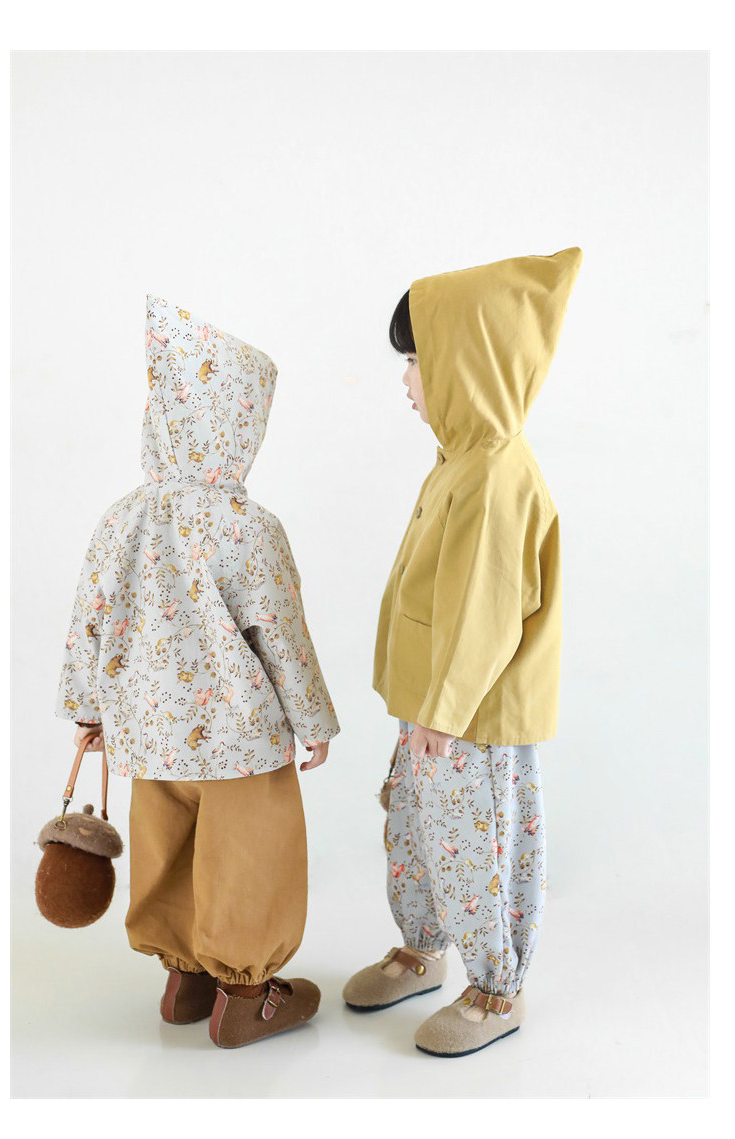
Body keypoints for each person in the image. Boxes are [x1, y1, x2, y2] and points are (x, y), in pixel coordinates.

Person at [56, 295, 340, 1049]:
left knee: (171, 849)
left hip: (150, 741)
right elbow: (281, 634)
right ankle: (247, 994)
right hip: (238, 741)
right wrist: (312, 721)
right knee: (250, 859)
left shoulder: (120, 518)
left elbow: (90, 619)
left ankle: (185, 980)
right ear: (238, 425)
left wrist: (89, 711)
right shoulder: (247, 526)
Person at [342, 248, 582, 1057]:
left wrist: (443, 712)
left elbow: (485, 612)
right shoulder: (460, 460)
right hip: (435, 710)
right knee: (416, 829)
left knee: (476, 844)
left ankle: (495, 986)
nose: (407, 380)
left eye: (415, 361)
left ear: (464, 362)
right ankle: (422, 946)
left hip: (469, 718)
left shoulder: (497, 475)